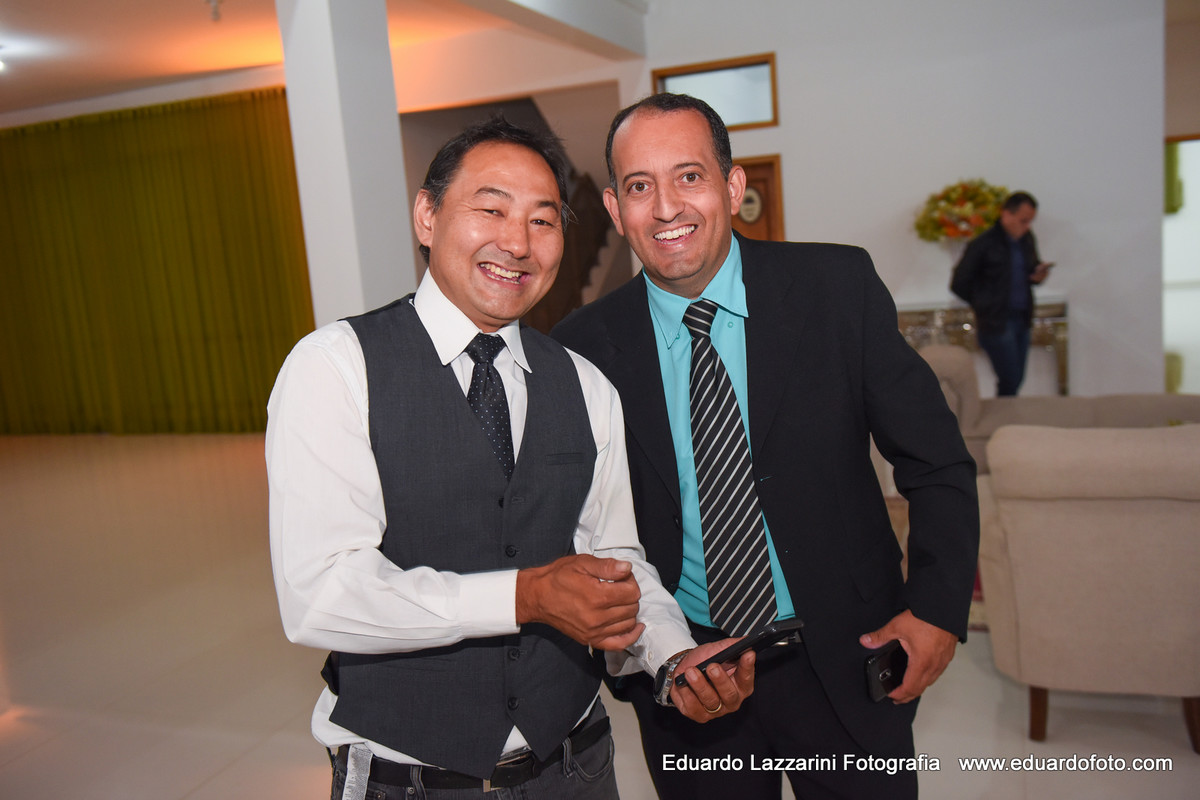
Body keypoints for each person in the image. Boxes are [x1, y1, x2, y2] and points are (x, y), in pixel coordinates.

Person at [266, 117, 755, 800]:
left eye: (543, 220)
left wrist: (673, 659)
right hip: (412, 778)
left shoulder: (585, 384)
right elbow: (319, 596)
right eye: (491, 210)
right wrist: (524, 596)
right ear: (427, 216)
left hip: (577, 764)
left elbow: (616, 560)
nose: (518, 243)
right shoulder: (336, 368)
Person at [551, 94, 979, 799]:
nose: (666, 207)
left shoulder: (836, 288)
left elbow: (935, 460)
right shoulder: (581, 348)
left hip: (847, 654)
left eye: (689, 176)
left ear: (732, 186)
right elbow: (585, 532)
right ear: (614, 207)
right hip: (691, 675)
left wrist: (936, 608)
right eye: (639, 186)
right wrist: (654, 662)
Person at [950, 191, 1053, 396]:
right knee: (1010, 377)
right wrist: (984, 303)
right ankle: (1005, 414)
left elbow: (1029, 269)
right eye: (1023, 221)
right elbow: (959, 283)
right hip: (996, 321)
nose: (1027, 226)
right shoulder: (983, 244)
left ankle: (1007, 413)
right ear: (1006, 214)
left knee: (1016, 378)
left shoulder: (1026, 240)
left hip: (1022, 316)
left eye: (1030, 221)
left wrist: (1038, 275)